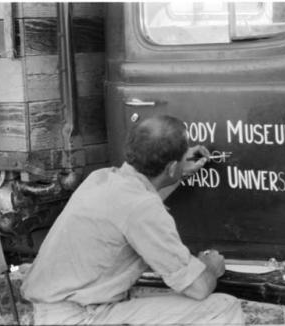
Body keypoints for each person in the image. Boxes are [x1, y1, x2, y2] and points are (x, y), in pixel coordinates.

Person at [21, 115, 245, 325]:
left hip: (54, 310)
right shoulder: (142, 208)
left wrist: (177, 172)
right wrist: (210, 268)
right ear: (171, 167)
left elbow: (136, 206)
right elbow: (198, 287)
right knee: (223, 307)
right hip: (80, 317)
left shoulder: (102, 178)